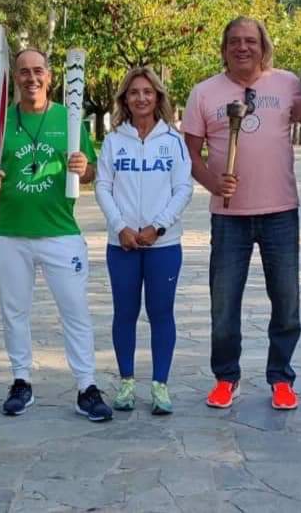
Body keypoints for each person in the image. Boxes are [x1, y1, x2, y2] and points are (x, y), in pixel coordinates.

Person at [0, 48, 112, 421]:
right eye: (24, 71)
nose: (31, 78)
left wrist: (83, 168)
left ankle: (86, 386)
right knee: (14, 311)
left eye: (38, 71)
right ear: (15, 78)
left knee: (75, 309)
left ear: (50, 77)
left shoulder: (69, 119)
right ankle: (21, 380)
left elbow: (89, 171)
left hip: (60, 233)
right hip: (10, 234)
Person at [182, 17, 301, 410]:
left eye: (250, 41)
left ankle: (281, 378)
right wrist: (212, 183)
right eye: (234, 41)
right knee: (224, 304)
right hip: (228, 216)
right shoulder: (204, 92)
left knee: (286, 302)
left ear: (263, 46)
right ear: (224, 48)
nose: (242, 47)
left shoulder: (288, 84)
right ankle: (226, 377)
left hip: (280, 211)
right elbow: (190, 153)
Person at [95, 67, 192, 415]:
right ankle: (126, 383)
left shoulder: (173, 141)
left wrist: (158, 227)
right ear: (125, 99)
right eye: (134, 92)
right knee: (125, 313)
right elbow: (102, 186)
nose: (141, 98)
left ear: (158, 97)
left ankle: (160, 386)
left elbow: (183, 189)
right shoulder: (113, 141)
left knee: (161, 312)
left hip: (162, 246)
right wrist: (120, 226)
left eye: (147, 92)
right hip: (122, 244)